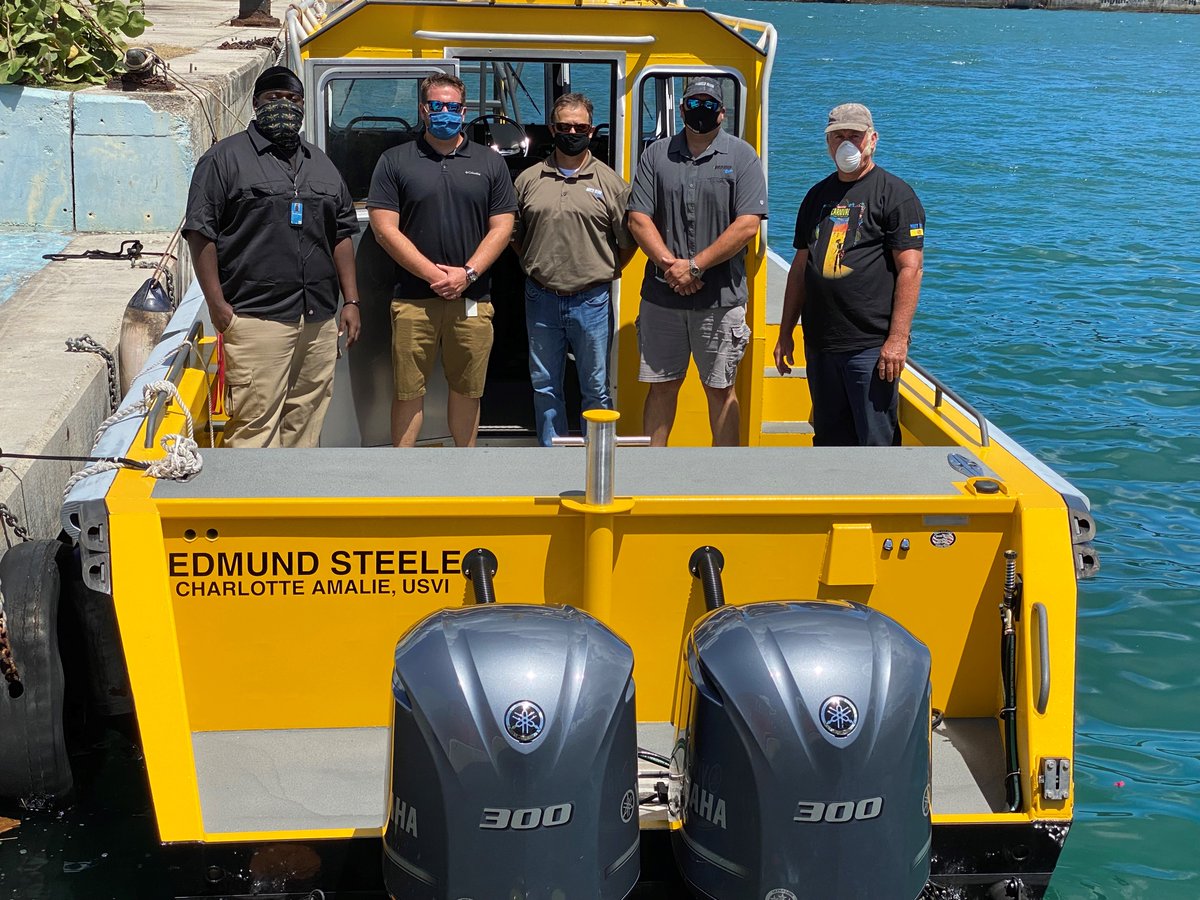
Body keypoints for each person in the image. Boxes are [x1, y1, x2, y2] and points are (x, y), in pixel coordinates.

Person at [183, 65, 361, 449]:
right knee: (254, 428)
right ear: (256, 103)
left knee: (307, 422)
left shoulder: (321, 163)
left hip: (317, 320)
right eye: (274, 98)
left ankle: (297, 506)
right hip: (255, 318)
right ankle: (252, 508)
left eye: (293, 100)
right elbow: (200, 234)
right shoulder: (223, 159)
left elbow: (342, 232)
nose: (284, 106)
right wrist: (217, 305)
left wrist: (351, 300)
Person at [366, 73, 517, 448]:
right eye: (437, 106)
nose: (445, 112)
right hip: (413, 300)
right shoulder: (395, 160)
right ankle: (404, 479)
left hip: (472, 300)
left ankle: (462, 476)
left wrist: (467, 274)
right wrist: (435, 275)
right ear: (423, 110)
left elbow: (503, 226)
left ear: (464, 111)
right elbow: (385, 229)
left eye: (452, 107)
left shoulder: (489, 163)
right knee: (407, 392)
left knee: (468, 392)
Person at [627, 77, 767, 447]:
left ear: (721, 112)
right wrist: (671, 267)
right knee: (661, 388)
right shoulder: (655, 155)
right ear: (682, 108)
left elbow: (748, 224)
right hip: (662, 300)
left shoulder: (742, 156)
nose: (700, 110)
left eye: (708, 104)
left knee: (721, 391)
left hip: (721, 302)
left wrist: (695, 266)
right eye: (693, 103)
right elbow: (639, 219)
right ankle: (651, 473)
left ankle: (725, 478)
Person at [773, 103, 925, 446]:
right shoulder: (816, 195)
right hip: (821, 343)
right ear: (827, 143)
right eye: (837, 136)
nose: (846, 144)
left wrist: (897, 340)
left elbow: (911, 269)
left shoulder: (895, 194)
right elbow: (801, 266)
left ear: (872, 139)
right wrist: (785, 332)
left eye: (854, 136)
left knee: (875, 440)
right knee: (828, 439)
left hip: (869, 348)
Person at [512, 93, 636, 447]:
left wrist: (600, 270)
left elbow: (627, 243)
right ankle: (552, 457)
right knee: (545, 384)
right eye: (564, 126)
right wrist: (537, 264)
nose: (571, 132)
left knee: (595, 387)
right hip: (540, 298)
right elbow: (515, 236)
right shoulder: (528, 180)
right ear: (552, 129)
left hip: (592, 301)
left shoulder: (612, 184)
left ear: (591, 131)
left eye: (579, 127)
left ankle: (596, 461)